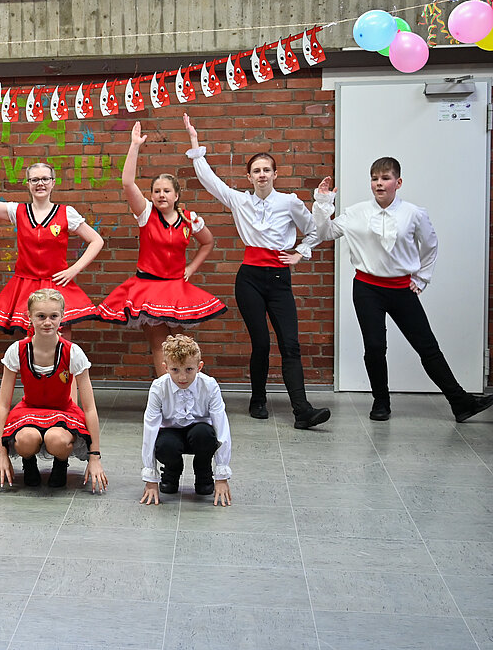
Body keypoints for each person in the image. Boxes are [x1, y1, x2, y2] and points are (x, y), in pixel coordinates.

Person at [312, 161, 493, 422]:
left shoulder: (414, 213)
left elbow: (430, 246)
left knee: (427, 347)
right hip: (367, 289)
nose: (379, 183)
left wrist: (422, 277)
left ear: (398, 182)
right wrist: (323, 204)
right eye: (374, 178)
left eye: (385, 178)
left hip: (401, 290)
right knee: (375, 347)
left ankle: (461, 402)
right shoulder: (356, 212)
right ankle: (381, 403)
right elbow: (325, 232)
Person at [184, 114, 330, 429]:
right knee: (261, 343)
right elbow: (210, 181)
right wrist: (195, 144)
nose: (261, 175)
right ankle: (258, 399)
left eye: (266, 170)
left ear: (275, 174)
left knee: (290, 344)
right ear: (248, 177)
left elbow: (315, 231)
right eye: (256, 171)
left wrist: (300, 253)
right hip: (249, 278)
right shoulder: (240, 201)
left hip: (279, 279)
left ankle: (302, 410)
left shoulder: (289, 202)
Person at [93, 123, 225, 377]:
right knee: (159, 345)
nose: (161, 195)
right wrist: (134, 146)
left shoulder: (189, 219)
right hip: (148, 287)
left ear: (176, 195)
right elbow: (127, 183)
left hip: (176, 288)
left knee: (182, 345)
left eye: (166, 191)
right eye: (156, 191)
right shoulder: (145, 214)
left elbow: (208, 242)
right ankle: (166, 393)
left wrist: (191, 268)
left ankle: (186, 389)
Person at [0, 136, 104, 334]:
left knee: (62, 337)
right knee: (29, 339)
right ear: (28, 183)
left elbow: (96, 240)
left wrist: (74, 269)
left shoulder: (66, 213)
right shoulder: (17, 211)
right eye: (34, 180)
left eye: (45, 179)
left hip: (57, 283)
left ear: (53, 182)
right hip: (25, 284)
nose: (40, 183)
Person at [0, 289, 108, 491]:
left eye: (53, 316)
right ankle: (28, 463)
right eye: (41, 316)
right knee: (25, 440)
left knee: (56, 439)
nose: (47, 322)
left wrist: (95, 456)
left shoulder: (73, 352)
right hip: (29, 409)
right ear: (29, 316)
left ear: (62, 316)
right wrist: (1, 453)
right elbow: (2, 405)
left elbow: (89, 408)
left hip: (63, 410)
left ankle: (61, 464)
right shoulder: (17, 350)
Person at [140, 334, 232, 506]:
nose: (182, 378)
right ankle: (171, 471)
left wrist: (222, 476)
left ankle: (203, 472)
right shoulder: (158, 388)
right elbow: (150, 430)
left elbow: (222, 427)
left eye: (189, 369)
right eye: (175, 370)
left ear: (199, 367)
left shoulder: (210, 385)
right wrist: (150, 479)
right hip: (170, 433)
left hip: (199, 433)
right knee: (165, 445)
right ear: (166, 367)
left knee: (204, 434)